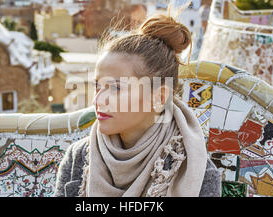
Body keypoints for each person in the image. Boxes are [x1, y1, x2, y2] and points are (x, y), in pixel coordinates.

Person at [54, 3, 221, 197]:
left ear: (159, 97)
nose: (98, 100)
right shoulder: (79, 159)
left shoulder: (194, 171)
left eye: (116, 88)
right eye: (98, 86)